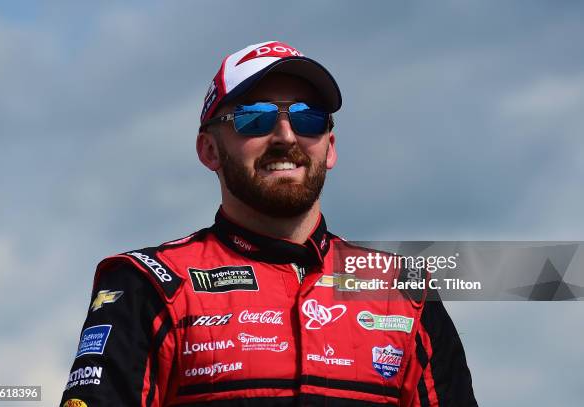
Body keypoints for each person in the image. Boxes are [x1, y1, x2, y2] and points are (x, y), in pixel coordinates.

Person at [60, 41, 477, 407]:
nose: (286, 135)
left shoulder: (403, 291)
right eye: (254, 118)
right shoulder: (149, 284)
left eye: (308, 118)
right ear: (209, 150)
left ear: (329, 148)